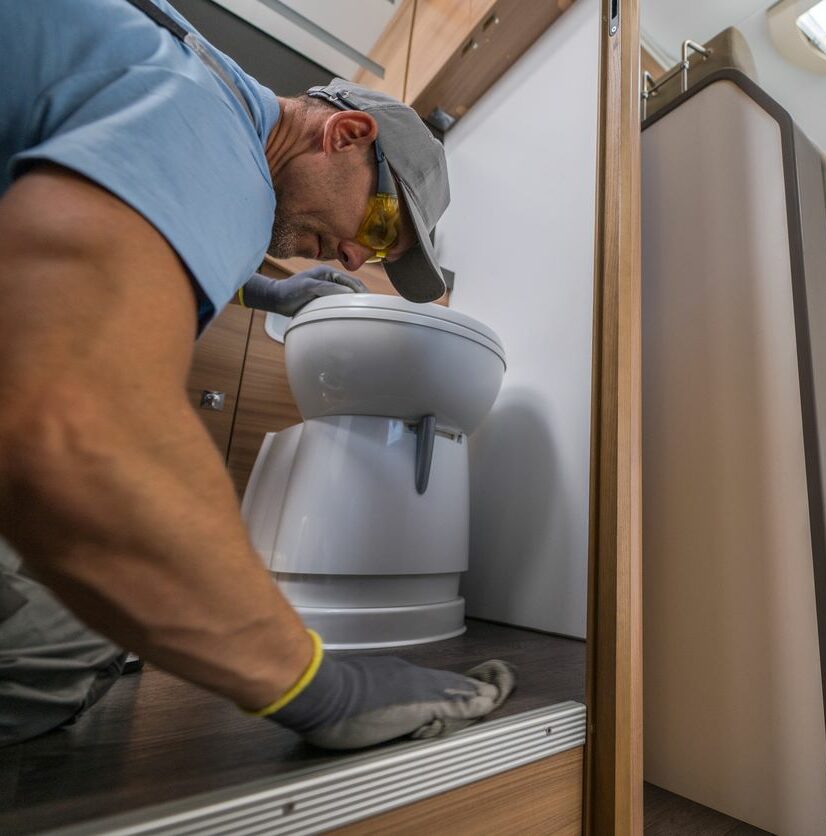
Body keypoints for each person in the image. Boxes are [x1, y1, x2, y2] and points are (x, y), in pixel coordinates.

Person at [0, 0, 514, 748]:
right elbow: (72, 429)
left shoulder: (198, 93)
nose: (351, 261)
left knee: (124, 600)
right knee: (63, 641)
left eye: (372, 255)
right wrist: (313, 684)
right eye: (377, 229)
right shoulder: (219, 147)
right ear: (345, 133)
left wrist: (259, 286)